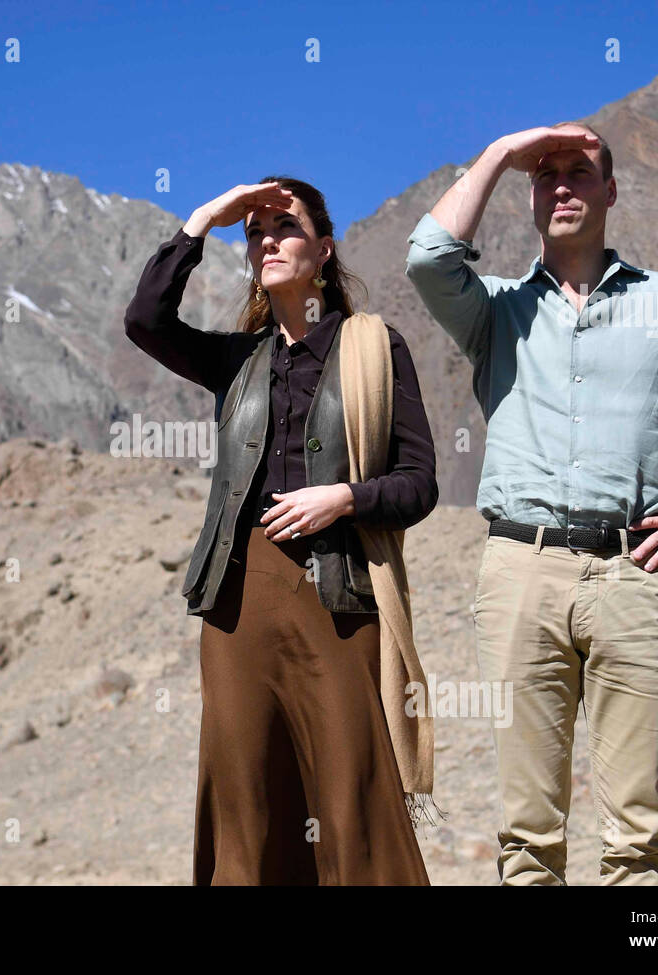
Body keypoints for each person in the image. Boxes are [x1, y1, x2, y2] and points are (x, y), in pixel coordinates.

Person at [404, 122, 658, 885]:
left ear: (610, 191)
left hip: (637, 579)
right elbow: (427, 256)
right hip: (521, 569)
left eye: (579, 173)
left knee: (637, 842)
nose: (561, 186)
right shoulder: (494, 312)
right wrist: (496, 154)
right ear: (526, 195)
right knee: (526, 841)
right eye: (544, 175)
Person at [124, 177, 439, 885]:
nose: (266, 240)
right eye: (255, 232)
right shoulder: (237, 361)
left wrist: (344, 499)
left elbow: (420, 483)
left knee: (352, 795)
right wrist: (205, 219)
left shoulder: (374, 348)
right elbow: (144, 320)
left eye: (283, 227)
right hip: (239, 601)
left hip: (339, 597)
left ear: (323, 250)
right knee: (245, 799)